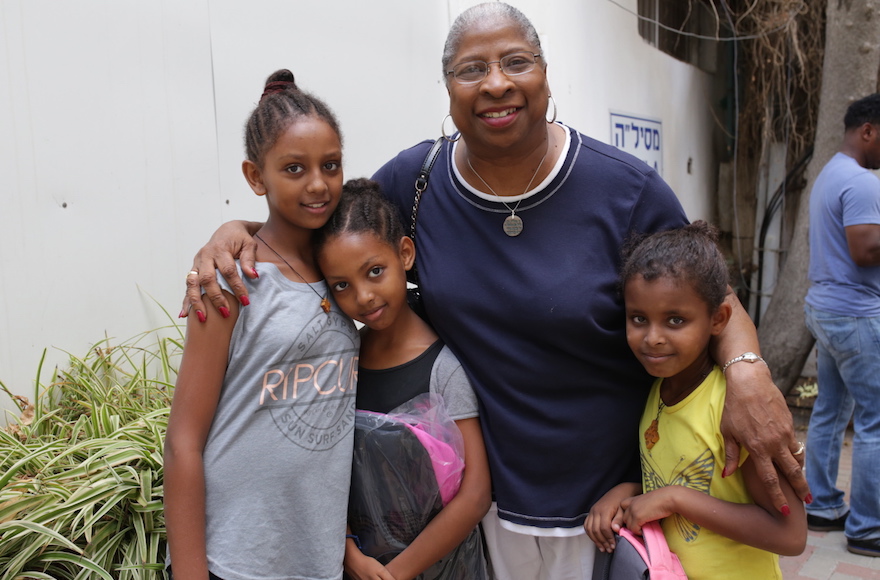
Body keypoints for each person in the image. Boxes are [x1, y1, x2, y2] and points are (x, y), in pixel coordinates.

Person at [181, 4, 808, 577]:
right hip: (478, 515)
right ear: (449, 91)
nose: (496, 83)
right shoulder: (415, 179)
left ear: (545, 75)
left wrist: (749, 374)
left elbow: (711, 295)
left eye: (517, 62)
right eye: (469, 69)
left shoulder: (625, 191)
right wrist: (232, 232)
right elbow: (327, 224)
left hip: (602, 511)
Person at [163, 70, 360, 580]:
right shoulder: (231, 280)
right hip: (235, 556)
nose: (318, 184)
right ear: (256, 177)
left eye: (331, 165)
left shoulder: (348, 277)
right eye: (294, 168)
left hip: (317, 555)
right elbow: (183, 440)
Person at [585, 222, 806, 579]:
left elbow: (791, 535)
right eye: (638, 318)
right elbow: (689, 478)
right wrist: (627, 492)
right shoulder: (660, 388)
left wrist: (674, 499)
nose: (652, 338)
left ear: (717, 319)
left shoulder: (733, 411)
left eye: (675, 320)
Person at [312, 177, 492, 580]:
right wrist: (351, 555)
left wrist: (397, 573)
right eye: (342, 285)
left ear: (404, 254)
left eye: (375, 271)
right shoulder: (342, 361)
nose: (364, 297)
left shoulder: (443, 369)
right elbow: (324, 470)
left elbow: (476, 494)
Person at [804, 93, 880, 557]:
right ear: (868, 130)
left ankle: (822, 505)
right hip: (855, 316)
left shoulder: (830, 173)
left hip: (827, 310)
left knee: (830, 411)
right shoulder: (862, 182)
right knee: (876, 420)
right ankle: (869, 527)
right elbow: (865, 250)